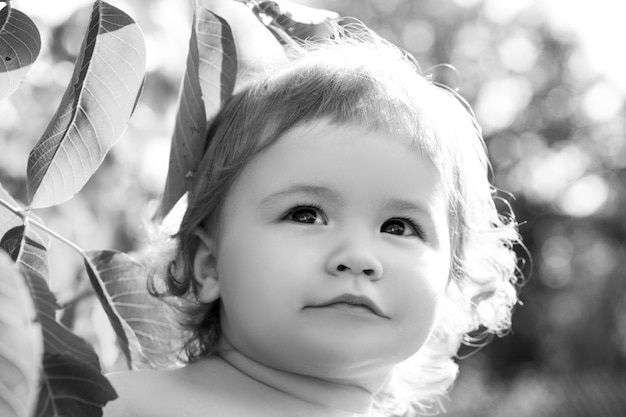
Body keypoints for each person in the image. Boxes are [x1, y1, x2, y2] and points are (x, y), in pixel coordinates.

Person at [103, 24, 521, 417]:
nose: (357, 257)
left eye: (399, 227)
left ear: (452, 282)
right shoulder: (114, 406)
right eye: (306, 215)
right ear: (210, 265)